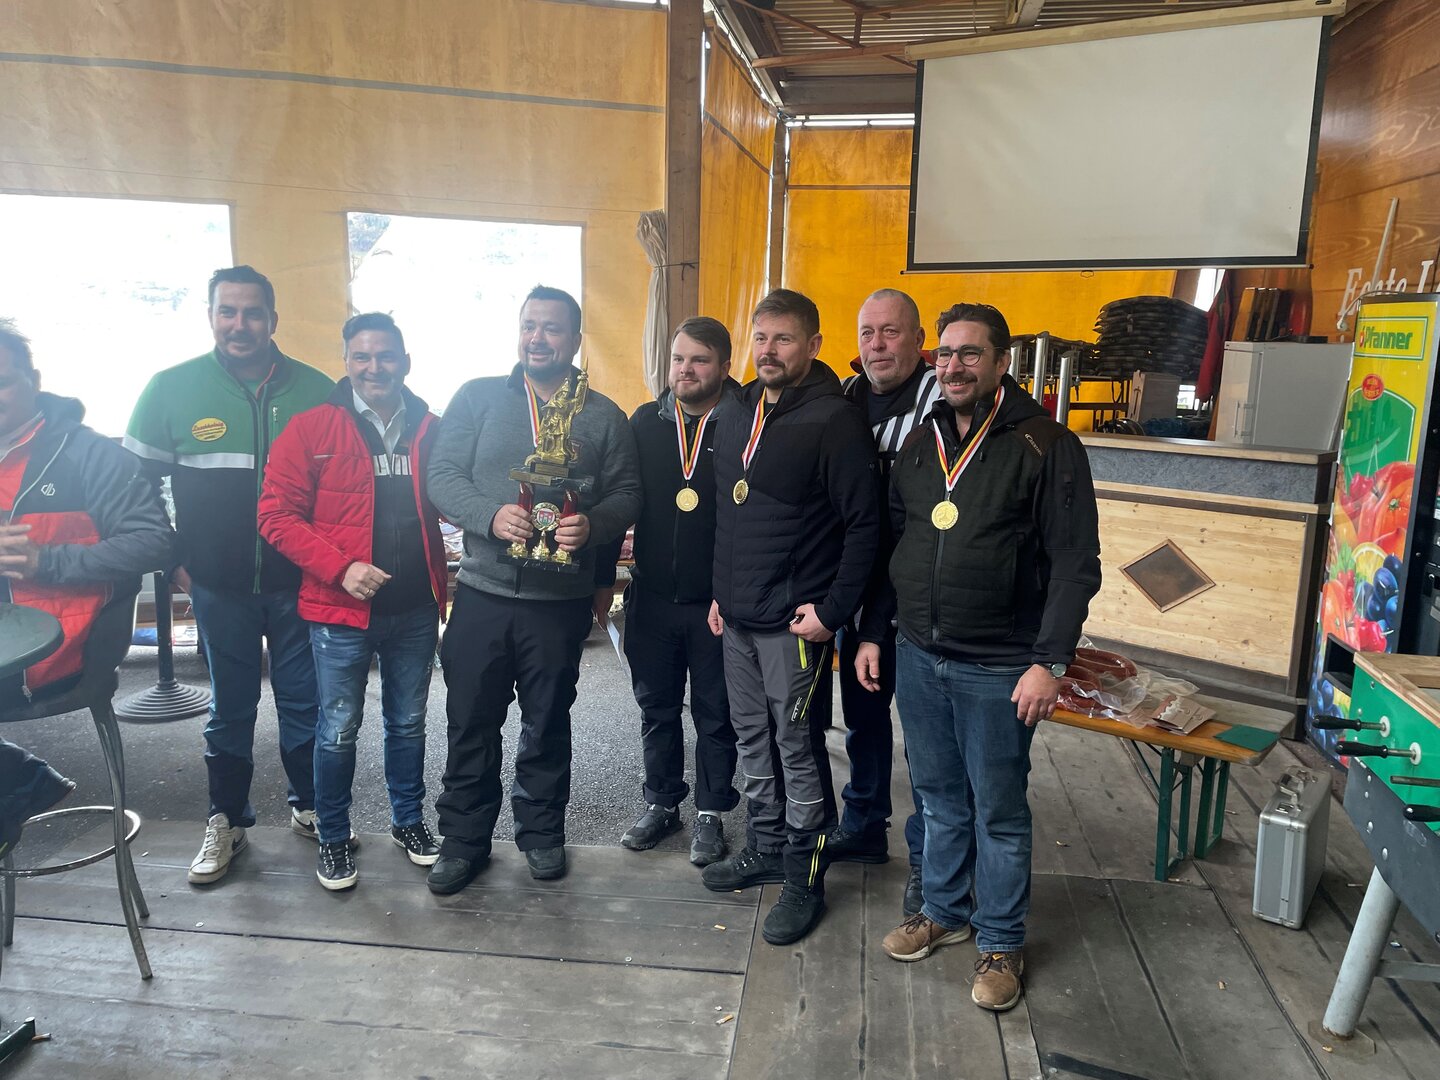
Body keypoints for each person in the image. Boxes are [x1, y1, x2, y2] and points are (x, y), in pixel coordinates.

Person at [857, 302, 1100, 1012]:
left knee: (997, 810)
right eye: (945, 353)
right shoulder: (920, 443)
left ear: (1000, 363)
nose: (954, 366)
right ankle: (943, 911)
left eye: (970, 353)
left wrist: (1050, 661)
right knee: (936, 798)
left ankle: (1000, 940)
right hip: (919, 653)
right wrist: (875, 631)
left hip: (999, 665)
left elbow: (1075, 563)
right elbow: (895, 547)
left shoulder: (1047, 445)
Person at [425, 285, 640, 892]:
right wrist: (488, 515)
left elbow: (628, 493)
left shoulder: (604, 415)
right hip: (482, 593)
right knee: (470, 720)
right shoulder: (477, 397)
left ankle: (542, 833)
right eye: (528, 325)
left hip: (558, 601)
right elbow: (442, 474)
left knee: (547, 722)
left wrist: (593, 525)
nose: (536, 338)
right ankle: (463, 841)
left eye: (551, 328)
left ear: (575, 339)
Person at [124, 266, 335, 885]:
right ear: (211, 316)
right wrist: (172, 560)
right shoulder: (170, 388)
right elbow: (131, 489)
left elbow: (343, 489)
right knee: (230, 709)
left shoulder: (319, 391)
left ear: (273, 319)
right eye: (227, 311)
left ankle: (312, 807)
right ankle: (227, 820)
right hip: (217, 587)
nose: (239, 324)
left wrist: (329, 563)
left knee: (306, 703)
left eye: (252, 312)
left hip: (300, 585)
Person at [703, 288, 880, 946]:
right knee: (752, 739)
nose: (769, 350)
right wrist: (721, 592)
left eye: (783, 339)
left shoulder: (834, 419)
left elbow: (865, 526)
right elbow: (730, 513)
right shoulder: (736, 408)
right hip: (738, 618)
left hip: (793, 626)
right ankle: (766, 846)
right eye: (761, 337)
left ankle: (805, 874)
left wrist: (833, 612)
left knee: (797, 748)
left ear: (813, 345)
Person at [258, 313, 448, 892]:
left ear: (405, 362)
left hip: (415, 608)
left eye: (385, 356)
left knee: (408, 723)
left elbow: (455, 495)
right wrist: (341, 568)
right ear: (346, 362)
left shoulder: (431, 426)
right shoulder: (311, 428)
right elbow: (274, 515)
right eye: (362, 356)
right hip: (338, 611)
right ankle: (334, 834)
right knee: (338, 728)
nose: (374, 367)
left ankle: (408, 822)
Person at [0, 318, 173, 854]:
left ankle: (17, 781)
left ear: (35, 381)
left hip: (58, 648)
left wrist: (46, 560)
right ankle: (16, 779)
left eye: (3, 382)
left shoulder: (89, 455)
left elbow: (155, 543)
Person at [599, 317, 741, 865]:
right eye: (678, 359)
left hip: (715, 604)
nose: (685, 369)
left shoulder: (745, 423)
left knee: (715, 713)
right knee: (656, 708)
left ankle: (711, 812)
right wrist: (604, 578)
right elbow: (619, 502)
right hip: (653, 597)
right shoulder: (644, 422)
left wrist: (734, 593)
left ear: (724, 366)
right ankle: (662, 803)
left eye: (699, 360)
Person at [824, 289, 943, 918]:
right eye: (867, 332)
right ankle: (865, 825)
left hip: (921, 596)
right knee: (864, 719)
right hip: (857, 590)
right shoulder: (845, 398)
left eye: (890, 332)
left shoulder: (943, 401)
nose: (877, 345)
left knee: (926, 739)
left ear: (919, 339)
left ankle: (929, 860)